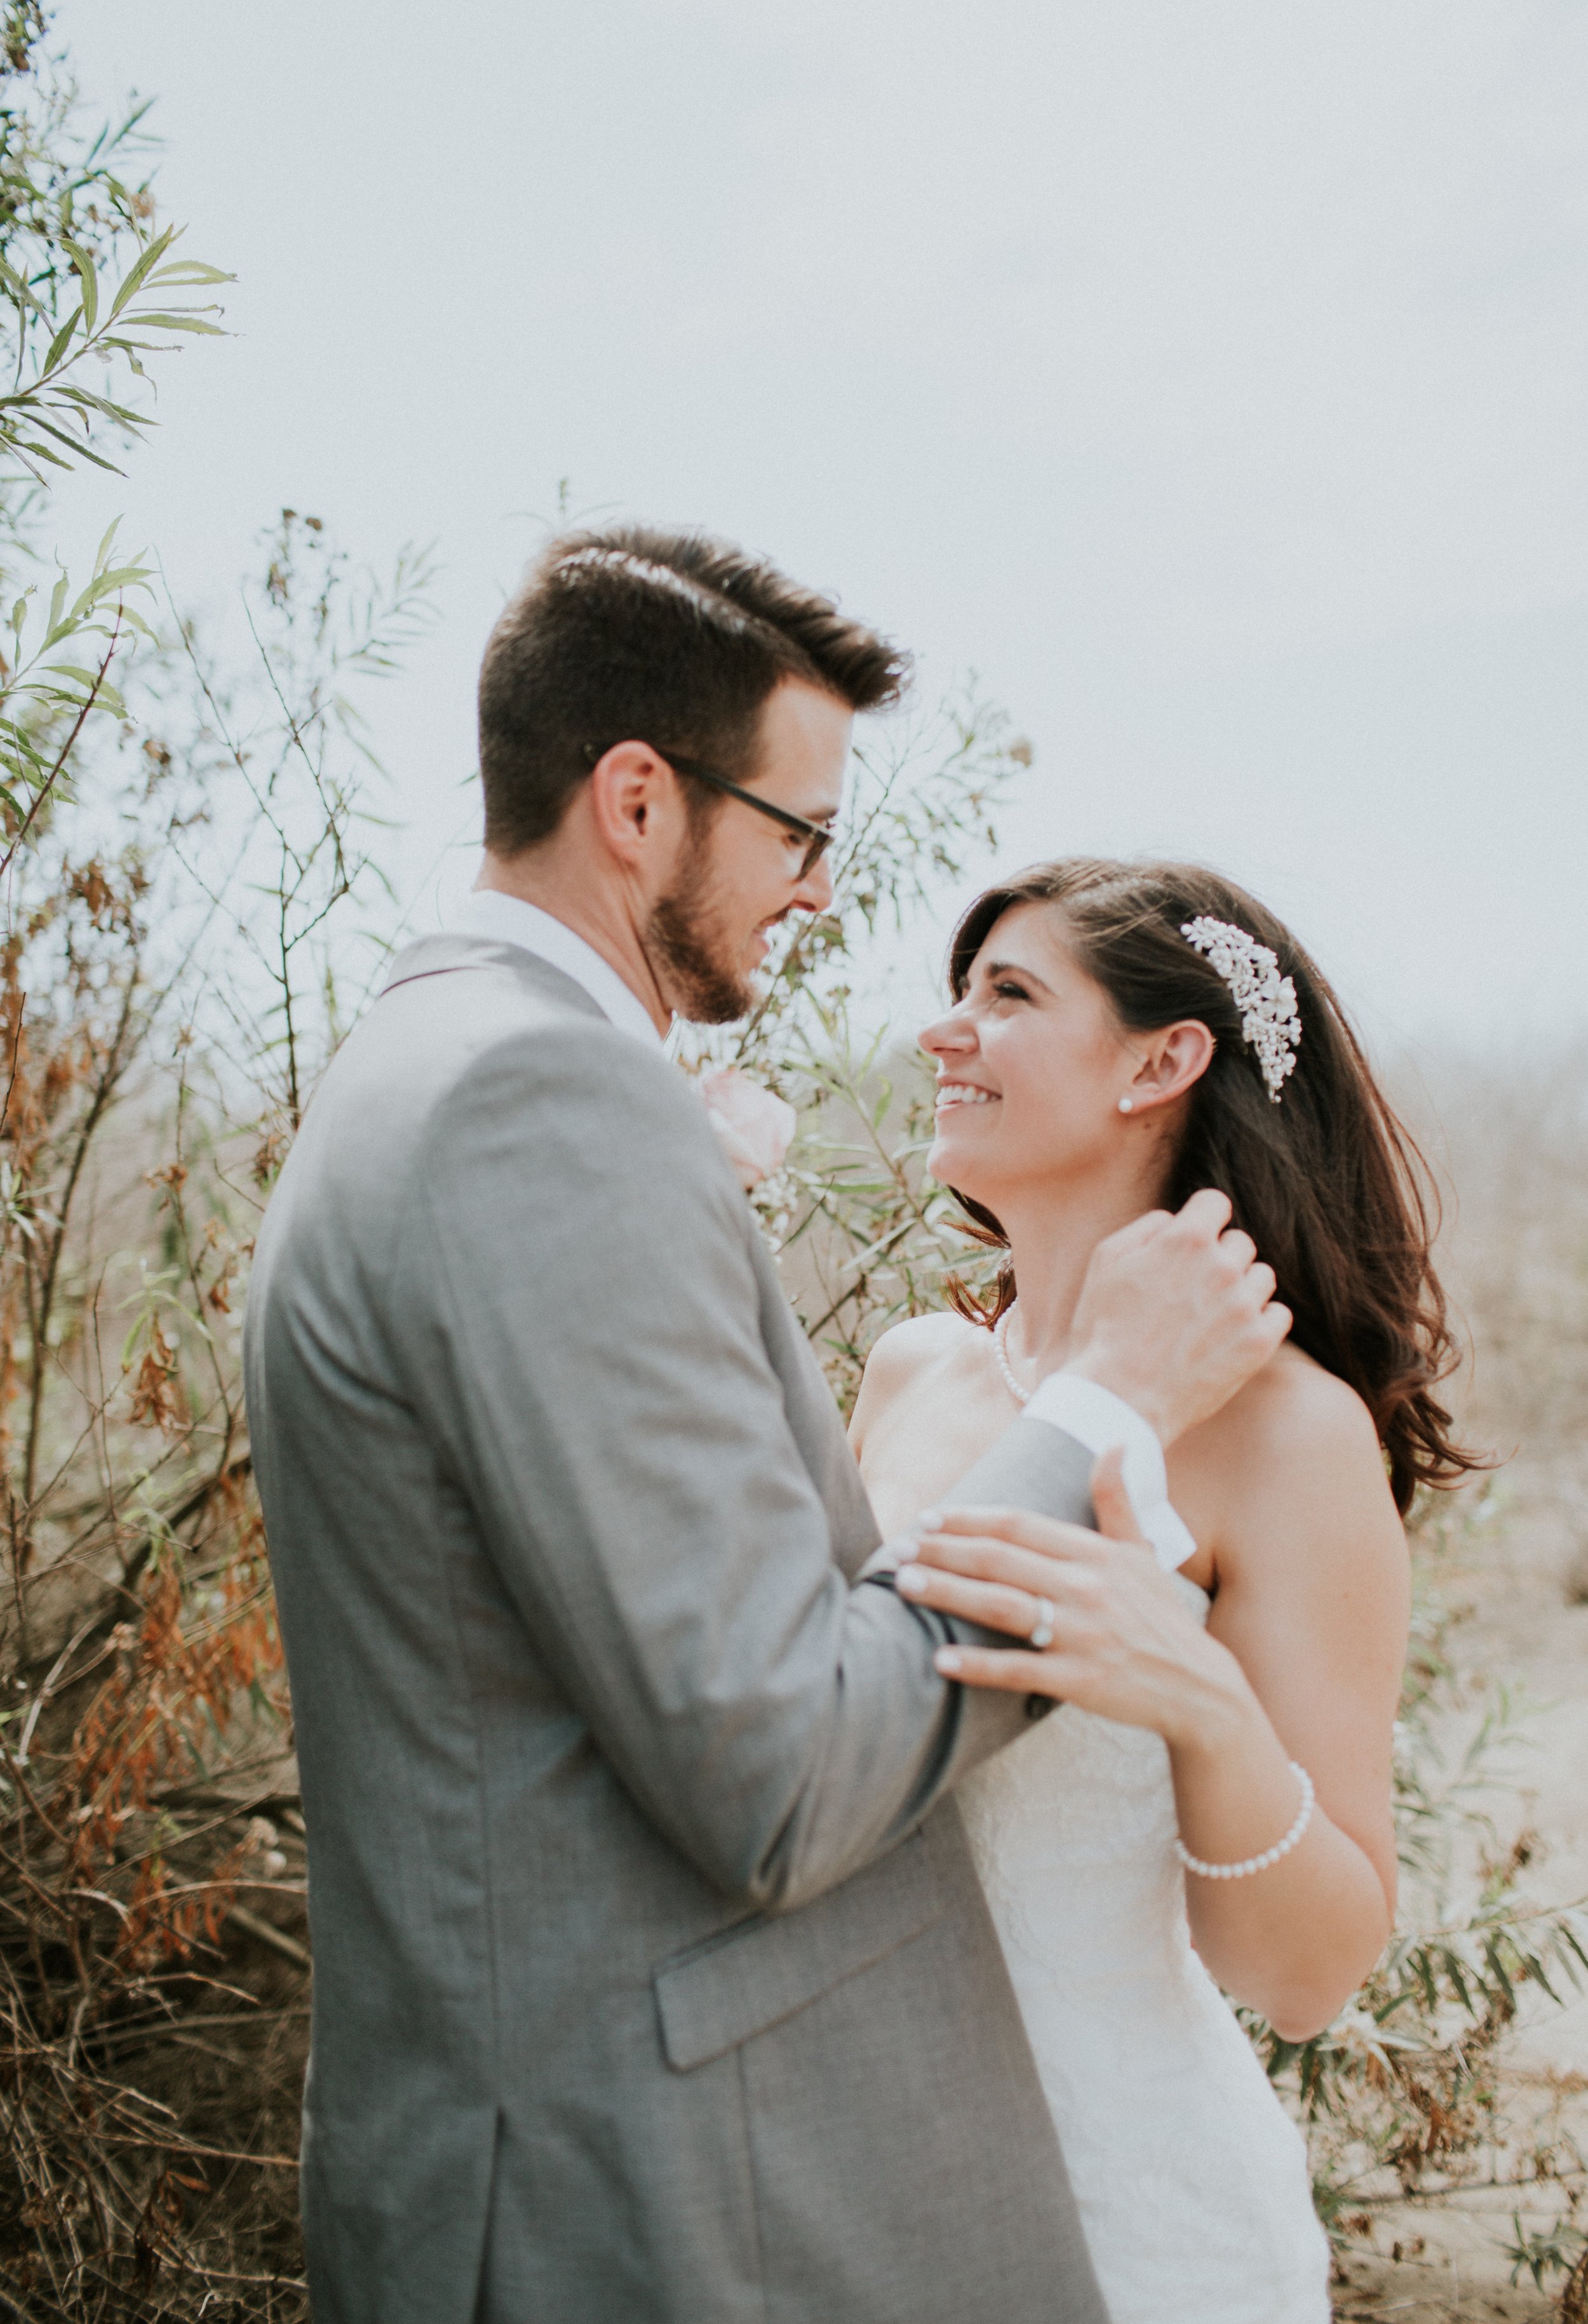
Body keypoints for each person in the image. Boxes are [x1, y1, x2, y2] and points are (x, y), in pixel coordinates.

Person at [243, 531, 1288, 2324]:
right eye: (798, 833)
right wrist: (1109, 1397)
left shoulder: (432, 1057)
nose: (817, 891)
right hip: (650, 2198)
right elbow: (781, 1769)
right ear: (637, 800)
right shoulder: (534, 1100)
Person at [850, 858, 1477, 2324]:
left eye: (1005, 995)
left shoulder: (1288, 1435)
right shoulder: (909, 1373)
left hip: (1130, 2222)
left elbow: (1308, 1977)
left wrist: (1201, 1706)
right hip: (851, 2193)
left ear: (1161, 1060)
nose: (943, 1032)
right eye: (956, 993)